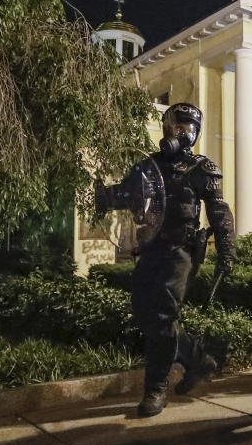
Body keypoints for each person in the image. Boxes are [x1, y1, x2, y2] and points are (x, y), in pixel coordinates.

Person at [97, 103, 234, 418]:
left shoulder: (202, 167)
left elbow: (219, 211)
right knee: (146, 313)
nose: (181, 132)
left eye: (188, 127)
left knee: (161, 315)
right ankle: (199, 360)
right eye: (176, 126)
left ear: (196, 132)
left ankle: (156, 388)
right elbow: (128, 194)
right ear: (166, 128)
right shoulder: (148, 165)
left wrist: (227, 248)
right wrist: (105, 196)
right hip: (151, 248)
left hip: (180, 250)